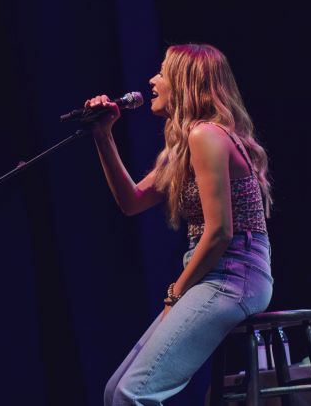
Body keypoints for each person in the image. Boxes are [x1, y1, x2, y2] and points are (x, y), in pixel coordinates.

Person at [87, 43, 274, 406]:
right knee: (115, 391)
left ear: (185, 81)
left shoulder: (207, 136)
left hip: (234, 277)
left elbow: (220, 232)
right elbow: (132, 202)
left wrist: (176, 292)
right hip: (211, 275)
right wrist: (103, 135)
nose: (153, 80)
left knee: (131, 394)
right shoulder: (185, 146)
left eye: (162, 72)